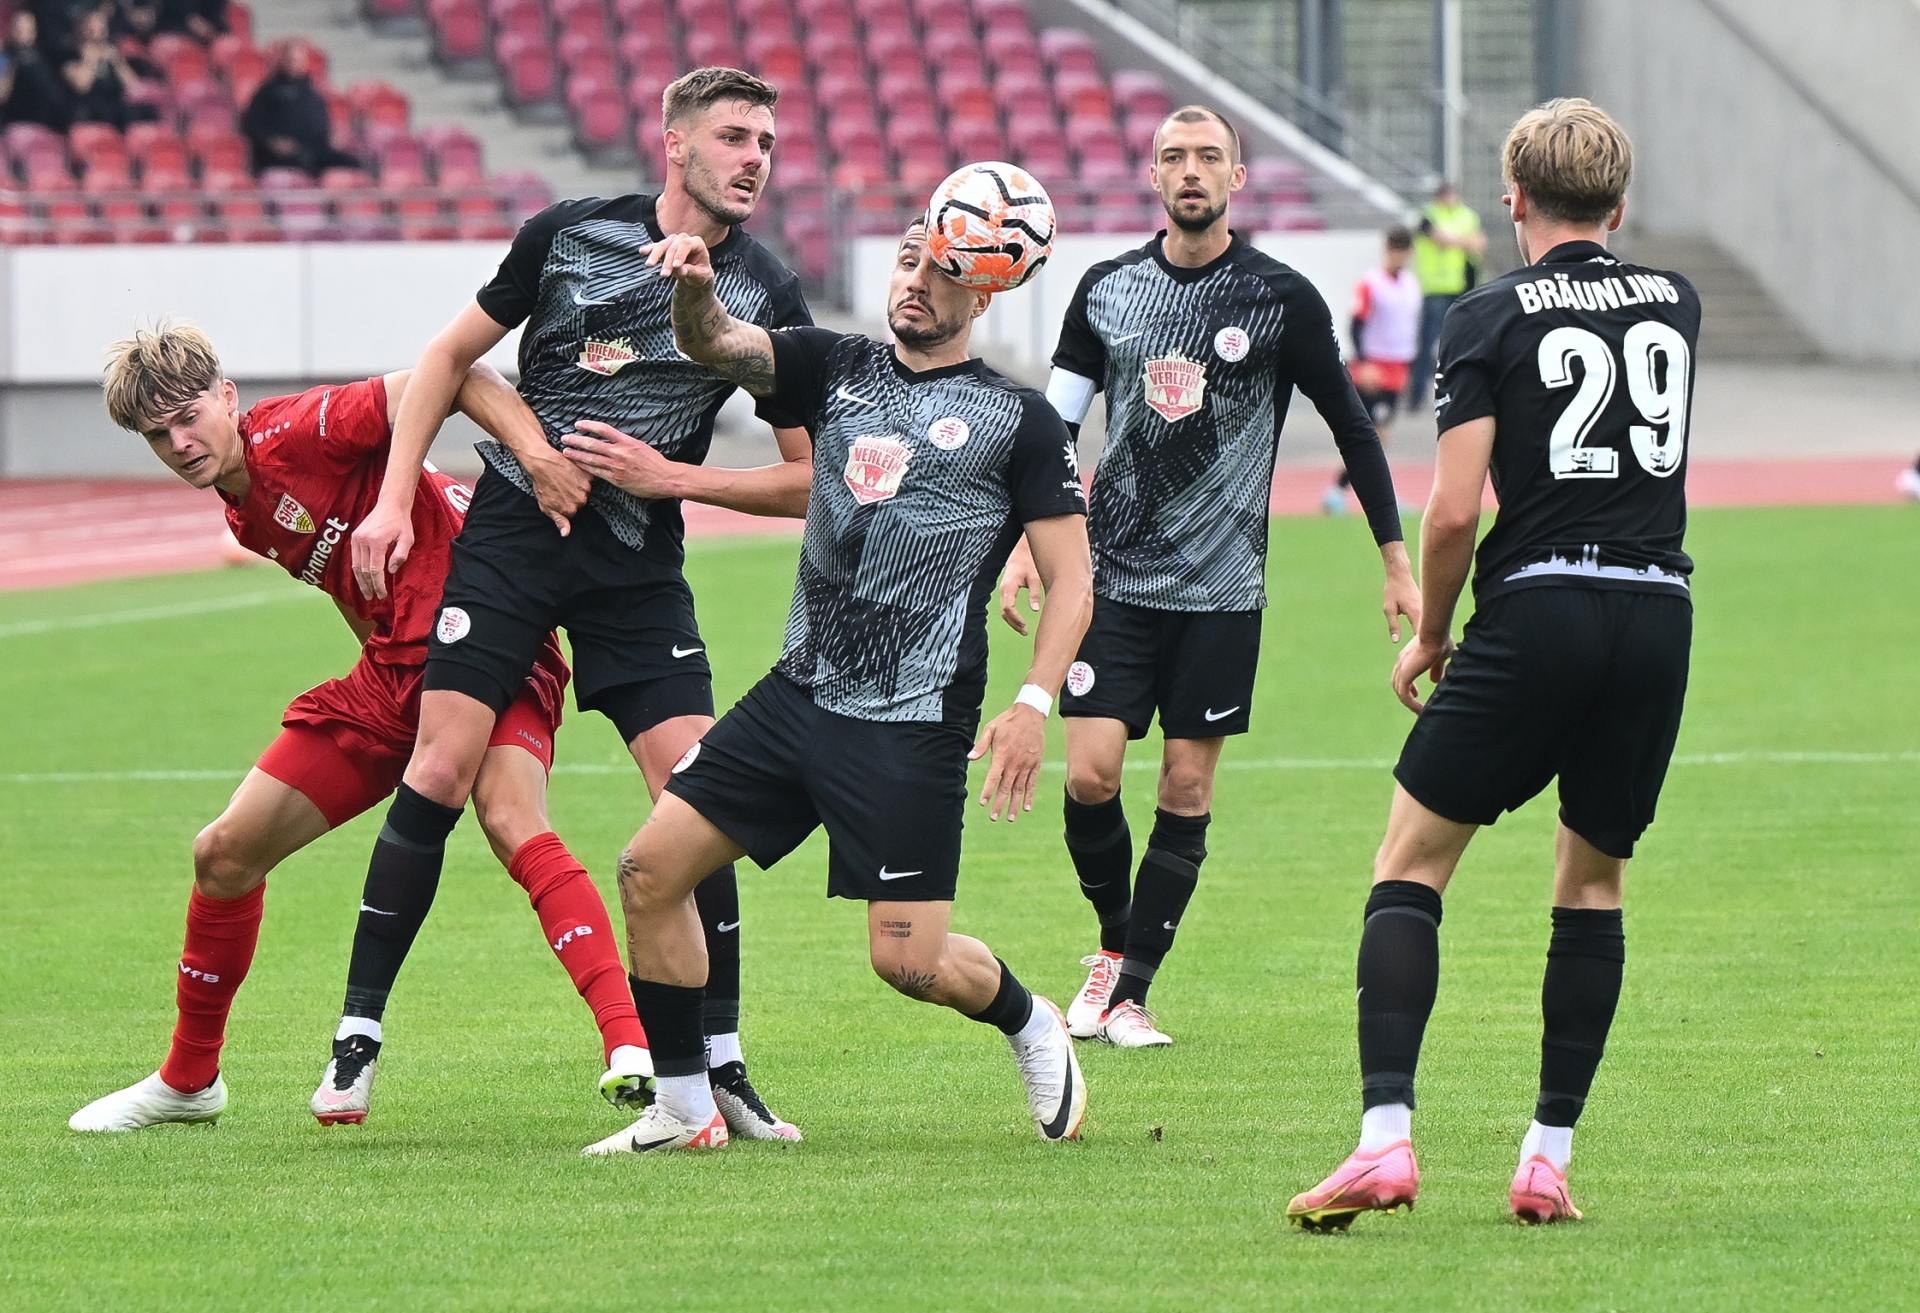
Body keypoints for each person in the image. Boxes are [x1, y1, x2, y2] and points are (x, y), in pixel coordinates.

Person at [346, 66, 814, 1143]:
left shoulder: (766, 293)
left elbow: (807, 478)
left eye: (769, 142)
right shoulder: (565, 234)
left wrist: (677, 478)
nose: (756, 158)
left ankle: (721, 1070)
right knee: (439, 764)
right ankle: (356, 1038)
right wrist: (392, 503)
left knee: (701, 792)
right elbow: (449, 359)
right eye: (736, 136)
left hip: (637, 561)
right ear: (674, 141)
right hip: (514, 535)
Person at [590, 217, 1095, 1155]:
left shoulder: (1017, 419)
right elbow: (715, 343)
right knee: (648, 872)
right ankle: (685, 1109)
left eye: (942, 271)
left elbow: (1074, 579)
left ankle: (1032, 1022)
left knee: (906, 962)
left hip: (908, 722)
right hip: (796, 694)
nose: (917, 281)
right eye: (907, 260)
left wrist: (1033, 704)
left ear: (981, 292)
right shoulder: (833, 365)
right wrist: (696, 286)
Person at [69, 322, 652, 1132]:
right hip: (395, 674)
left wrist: (538, 457)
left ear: (227, 397)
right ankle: (188, 1081)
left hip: (491, 642)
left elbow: (459, 372)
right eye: (158, 433)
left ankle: (630, 1047)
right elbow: (358, 587)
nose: (180, 441)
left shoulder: (301, 426)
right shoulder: (243, 510)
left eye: (189, 415)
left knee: (514, 820)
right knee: (223, 854)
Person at [1287, 98, 1699, 1230]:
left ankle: (1384, 1141)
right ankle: (1547, 1156)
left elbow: (1456, 506)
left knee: (1410, 863)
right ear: (1621, 204)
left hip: (1543, 603)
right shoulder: (1676, 299)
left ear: (1509, 197)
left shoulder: (1486, 313)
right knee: (1594, 882)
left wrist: (1430, 630)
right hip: (1659, 609)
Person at [1000, 106, 1418, 1049]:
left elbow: (1354, 427)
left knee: (1185, 791)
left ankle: (1132, 990)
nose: (1192, 171)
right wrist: (1029, 543)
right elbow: (1056, 432)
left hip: (1225, 591)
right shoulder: (1106, 291)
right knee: (1093, 777)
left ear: (1237, 177)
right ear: (1154, 177)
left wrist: (1396, 559)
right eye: (1176, 157)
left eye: (1210, 157)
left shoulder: (1282, 298)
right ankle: (1112, 952)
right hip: (1110, 582)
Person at [1324, 224, 1422, 514]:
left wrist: (1411, 369)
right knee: (1373, 435)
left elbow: (1408, 331)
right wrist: (1363, 363)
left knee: (1380, 435)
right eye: (1394, 250)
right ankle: (1345, 491)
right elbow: (1356, 325)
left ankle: (1353, 492)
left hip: (1398, 368)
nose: (1399, 256)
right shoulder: (1371, 283)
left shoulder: (1411, 286)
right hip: (1374, 370)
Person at [1407, 181, 1486, 406]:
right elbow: (1440, 238)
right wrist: (1463, 241)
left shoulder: (1466, 215)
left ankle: (1457, 392)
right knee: (1427, 344)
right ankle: (1416, 395)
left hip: (1461, 287)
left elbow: (1479, 243)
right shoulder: (1428, 215)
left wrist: (1454, 241)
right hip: (1435, 290)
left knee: (1461, 343)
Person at [240, 41, 358, 177]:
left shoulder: (312, 91)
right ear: (282, 61)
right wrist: (272, 142)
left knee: (352, 163)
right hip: (283, 155)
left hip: (315, 148)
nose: (294, 64)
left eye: (298, 60)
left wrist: (330, 137)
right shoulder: (267, 91)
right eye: (291, 60)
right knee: (301, 162)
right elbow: (252, 125)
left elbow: (321, 122)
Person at [63, 9, 152, 129]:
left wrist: (118, 62)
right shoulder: (71, 56)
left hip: (116, 106)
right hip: (90, 111)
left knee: (145, 112)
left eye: (100, 27)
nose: (97, 31)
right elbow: (82, 87)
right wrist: (90, 60)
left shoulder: (111, 54)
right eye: (92, 28)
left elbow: (133, 86)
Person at [2, 11, 70, 131]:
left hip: (45, 123)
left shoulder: (41, 59)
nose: (23, 34)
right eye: (18, 29)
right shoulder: (4, 57)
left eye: (28, 30)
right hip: (13, 123)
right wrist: (14, 65)